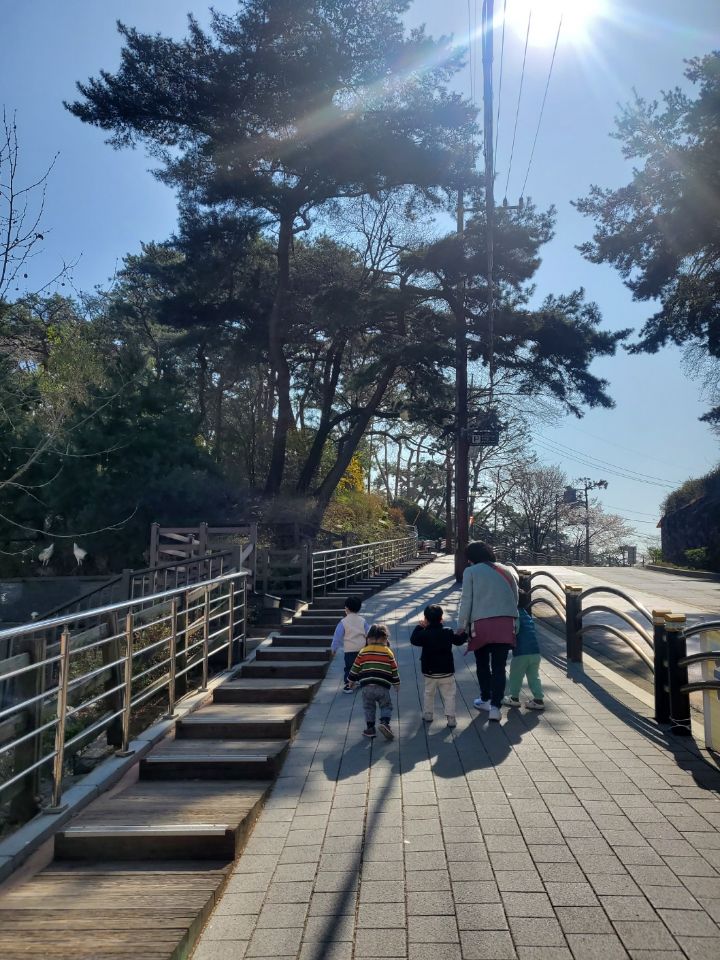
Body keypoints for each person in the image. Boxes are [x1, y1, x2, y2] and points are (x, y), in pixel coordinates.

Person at [456, 541, 519, 722]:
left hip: (481, 624)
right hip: (505, 623)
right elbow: (515, 597)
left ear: (471, 557)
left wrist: (461, 626)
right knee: (499, 667)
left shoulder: (471, 572)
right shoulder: (506, 570)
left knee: (482, 664)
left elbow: (466, 600)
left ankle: (485, 699)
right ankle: (496, 708)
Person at [410, 604, 466, 728]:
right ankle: (451, 718)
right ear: (441, 619)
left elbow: (413, 639)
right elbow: (459, 641)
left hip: (429, 671)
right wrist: (464, 634)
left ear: (426, 619)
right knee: (449, 695)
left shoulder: (424, 633)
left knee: (429, 693)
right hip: (446, 671)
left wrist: (420, 626)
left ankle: (428, 714)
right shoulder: (447, 631)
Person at [347, 624, 400, 739]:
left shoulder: (363, 651)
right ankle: (385, 723)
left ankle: (370, 729)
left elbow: (355, 667)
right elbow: (394, 669)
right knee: (386, 706)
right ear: (385, 639)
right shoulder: (388, 652)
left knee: (369, 707)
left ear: (368, 638)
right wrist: (396, 683)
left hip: (366, 687)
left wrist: (351, 680)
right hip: (382, 686)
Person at [503, 607, 545, 710]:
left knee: (515, 676)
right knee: (534, 676)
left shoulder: (514, 614)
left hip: (521, 652)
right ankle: (538, 699)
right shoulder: (526, 615)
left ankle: (514, 697)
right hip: (535, 652)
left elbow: (513, 631)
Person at [330, 595, 369, 693]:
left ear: (346, 608)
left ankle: (348, 685)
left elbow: (337, 636)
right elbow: (368, 633)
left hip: (350, 650)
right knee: (360, 666)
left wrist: (334, 648)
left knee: (349, 667)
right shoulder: (363, 621)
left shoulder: (343, 622)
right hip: (362, 648)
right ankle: (360, 680)